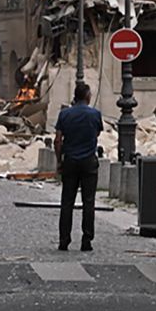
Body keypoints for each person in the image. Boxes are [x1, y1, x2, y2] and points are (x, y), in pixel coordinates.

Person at [54, 82, 102, 251]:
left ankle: (64, 239)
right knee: (89, 202)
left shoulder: (64, 114)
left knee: (67, 202)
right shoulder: (95, 114)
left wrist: (59, 161)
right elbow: (96, 133)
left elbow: (58, 140)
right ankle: (87, 239)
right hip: (89, 160)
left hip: (70, 161)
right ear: (88, 96)